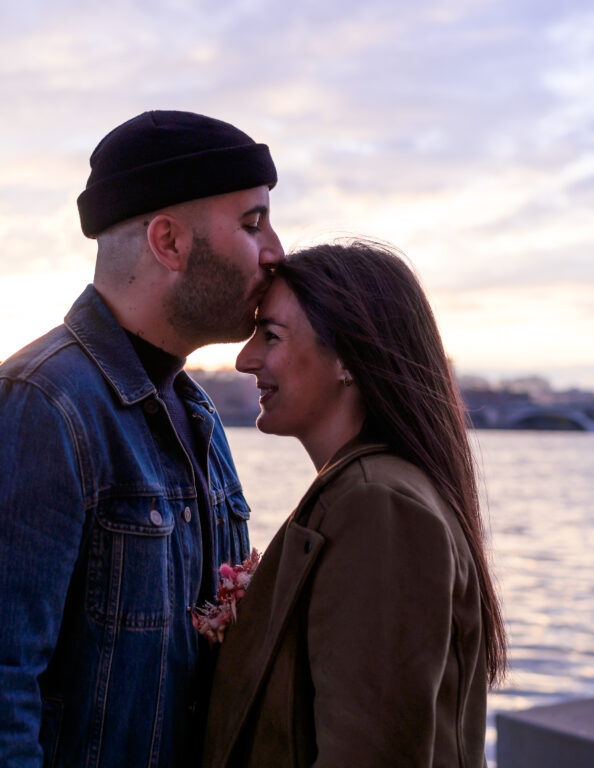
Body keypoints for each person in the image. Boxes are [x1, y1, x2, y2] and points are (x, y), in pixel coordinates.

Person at [0, 110, 284, 767]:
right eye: (253, 224)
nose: (276, 249)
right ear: (169, 243)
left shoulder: (196, 414)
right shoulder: (32, 409)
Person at [200, 239, 507, 768]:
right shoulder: (368, 490)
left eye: (270, 335)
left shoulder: (378, 505)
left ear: (346, 358)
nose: (245, 358)